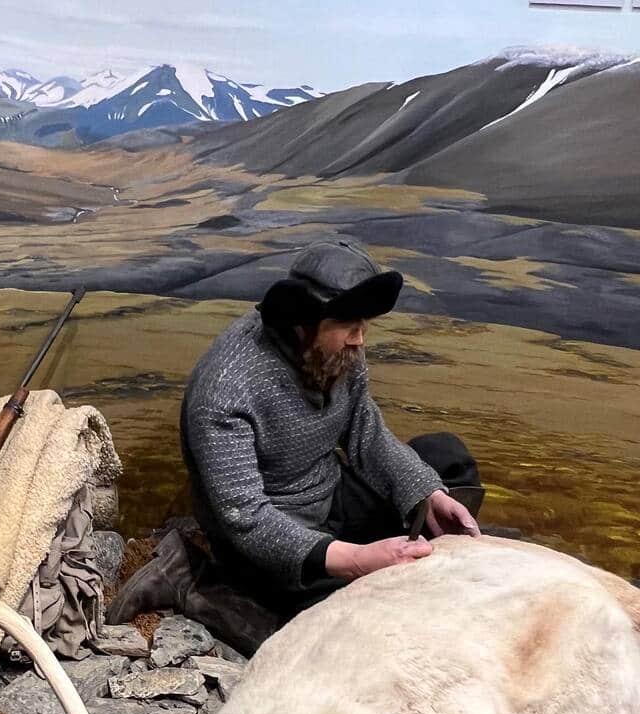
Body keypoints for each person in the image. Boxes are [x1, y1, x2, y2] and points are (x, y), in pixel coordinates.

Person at [107, 237, 484, 656]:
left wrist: (426, 495)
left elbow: (367, 436)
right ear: (302, 324)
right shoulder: (228, 387)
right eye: (348, 326)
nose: (360, 340)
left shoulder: (337, 353)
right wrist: (359, 559)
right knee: (332, 639)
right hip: (268, 537)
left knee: (446, 462)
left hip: (328, 494)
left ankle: (394, 557)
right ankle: (194, 581)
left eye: (363, 325)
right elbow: (247, 519)